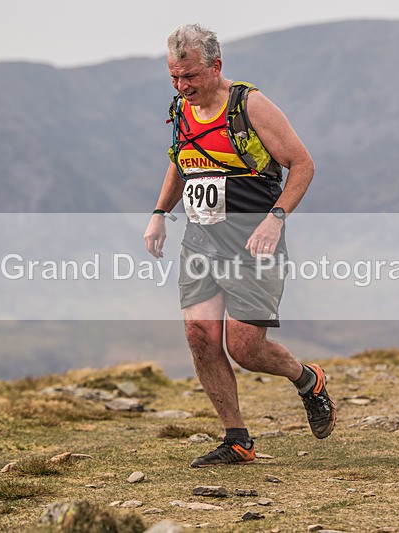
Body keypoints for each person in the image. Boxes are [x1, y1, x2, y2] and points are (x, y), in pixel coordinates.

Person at [143, 23, 335, 468]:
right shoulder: (182, 107)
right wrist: (159, 214)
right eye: (174, 77)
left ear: (216, 66)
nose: (181, 86)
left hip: (253, 246)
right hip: (201, 243)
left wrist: (276, 219)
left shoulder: (250, 105)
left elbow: (302, 165)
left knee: (246, 348)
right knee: (200, 335)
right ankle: (237, 439)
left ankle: (308, 380)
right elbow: (180, 159)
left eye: (189, 76)